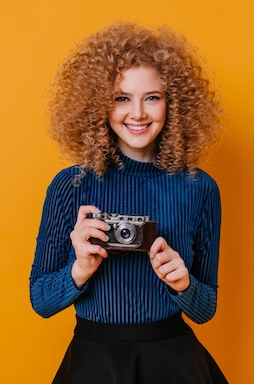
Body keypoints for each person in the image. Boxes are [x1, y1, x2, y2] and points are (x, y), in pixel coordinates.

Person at [29, 21, 227, 384]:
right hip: (94, 364)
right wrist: (80, 270)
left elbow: (206, 309)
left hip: (173, 362)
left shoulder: (200, 188)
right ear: (98, 104)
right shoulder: (70, 186)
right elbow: (40, 300)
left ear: (174, 103)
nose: (137, 113)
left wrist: (183, 284)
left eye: (152, 97)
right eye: (122, 98)